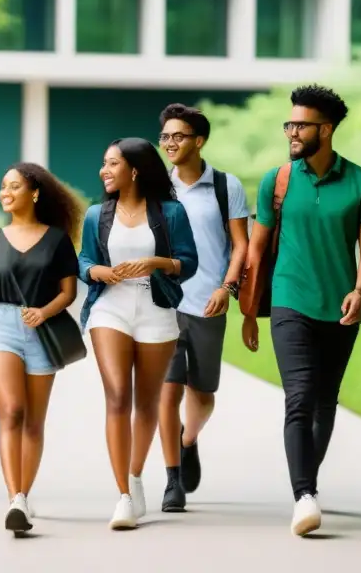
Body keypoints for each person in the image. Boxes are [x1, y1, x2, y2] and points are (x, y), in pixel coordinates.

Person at [241, 85, 361, 537]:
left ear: (326, 129)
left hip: (340, 306)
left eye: (301, 124)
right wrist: (248, 310)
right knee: (300, 397)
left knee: (325, 401)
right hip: (290, 300)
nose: (292, 131)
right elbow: (258, 247)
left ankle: (309, 483)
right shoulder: (278, 180)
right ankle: (303, 494)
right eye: (290, 124)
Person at [78, 137, 198, 530]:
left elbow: (189, 263)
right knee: (117, 397)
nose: (104, 170)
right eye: (103, 163)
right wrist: (100, 273)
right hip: (109, 307)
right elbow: (84, 261)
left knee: (146, 404)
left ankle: (134, 475)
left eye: (112, 163)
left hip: (155, 308)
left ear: (134, 170)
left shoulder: (170, 212)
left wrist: (156, 262)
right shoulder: (97, 214)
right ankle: (124, 497)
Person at [0, 162, 82, 537]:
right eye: (2, 186)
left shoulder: (57, 239)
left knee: (33, 422)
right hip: (0, 328)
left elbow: (68, 292)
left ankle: (24, 494)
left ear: (35, 192)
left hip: (41, 331)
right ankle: (15, 499)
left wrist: (44, 311)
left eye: (14, 186)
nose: (5, 192)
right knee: (12, 411)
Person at [156, 103, 250, 512]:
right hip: (163, 304)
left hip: (209, 303)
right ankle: (172, 480)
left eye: (178, 136)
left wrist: (227, 288)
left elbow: (241, 245)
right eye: (165, 137)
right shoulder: (157, 187)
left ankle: (188, 439)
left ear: (199, 140)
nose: (170, 143)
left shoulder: (227, 186)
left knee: (203, 392)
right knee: (167, 390)